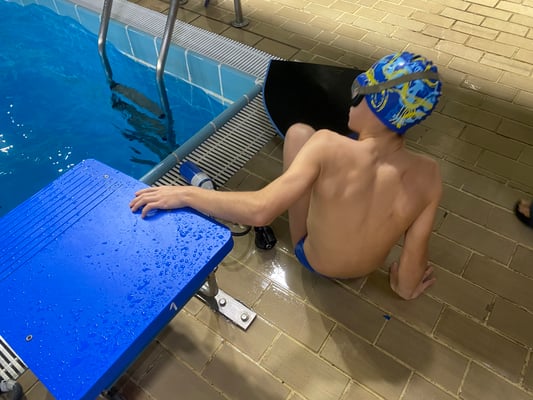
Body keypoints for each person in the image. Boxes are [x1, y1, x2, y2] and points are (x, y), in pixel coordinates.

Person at [130, 52, 443, 300]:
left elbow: (261, 210)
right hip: (364, 269)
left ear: (376, 102)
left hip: (314, 260)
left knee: (298, 135)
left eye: (358, 89)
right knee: (315, 144)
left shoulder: (327, 146)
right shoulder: (429, 175)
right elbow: (406, 287)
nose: (351, 98)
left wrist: (184, 194)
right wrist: (403, 283)